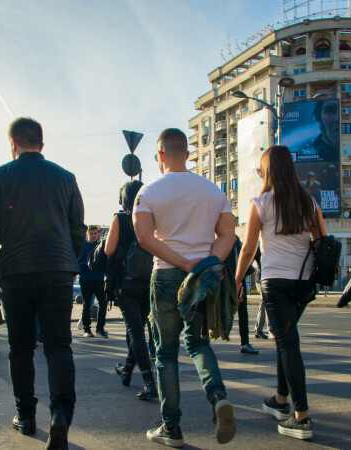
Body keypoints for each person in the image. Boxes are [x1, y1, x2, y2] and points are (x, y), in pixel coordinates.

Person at [0, 117, 86, 449]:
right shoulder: (66, 178)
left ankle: (25, 415)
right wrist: (70, 261)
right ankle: (60, 415)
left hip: (16, 272)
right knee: (59, 347)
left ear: (12, 143)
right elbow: (77, 227)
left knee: (20, 347)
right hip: (58, 272)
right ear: (42, 144)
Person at [134, 128, 237, 447]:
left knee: (165, 352)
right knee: (198, 343)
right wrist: (207, 264)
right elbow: (228, 235)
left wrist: (182, 262)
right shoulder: (214, 192)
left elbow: (144, 237)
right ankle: (218, 397)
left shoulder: (148, 192)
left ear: (160, 155)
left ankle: (172, 427)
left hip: (165, 276)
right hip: (203, 280)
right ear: (188, 154)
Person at [235, 145, 325, 440]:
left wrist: (237, 279)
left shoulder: (261, 202)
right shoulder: (309, 202)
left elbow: (248, 249)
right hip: (303, 281)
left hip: (275, 282)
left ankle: (301, 418)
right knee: (285, 341)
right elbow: (320, 240)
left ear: (268, 173)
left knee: (288, 344)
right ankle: (281, 399)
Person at [107, 180, 157, 400]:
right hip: (150, 280)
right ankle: (127, 370)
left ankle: (148, 382)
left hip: (128, 282)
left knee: (135, 331)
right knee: (139, 330)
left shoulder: (121, 218)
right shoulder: (153, 218)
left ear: (123, 199)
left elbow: (109, 249)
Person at [225, 236, 258, 355]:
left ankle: (245, 342)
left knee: (242, 310)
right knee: (222, 308)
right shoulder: (222, 239)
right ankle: (206, 340)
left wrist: (241, 278)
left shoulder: (237, 240)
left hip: (239, 278)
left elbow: (245, 258)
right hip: (225, 278)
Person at [78, 225, 107, 337]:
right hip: (86, 279)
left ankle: (100, 328)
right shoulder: (83, 247)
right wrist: (88, 265)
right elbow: (79, 262)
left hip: (99, 278)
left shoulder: (100, 245)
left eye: (95, 233)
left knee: (103, 303)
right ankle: (86, 329)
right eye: (91, 233)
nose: (94, 235)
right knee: (86, 304)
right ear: (87, 234)